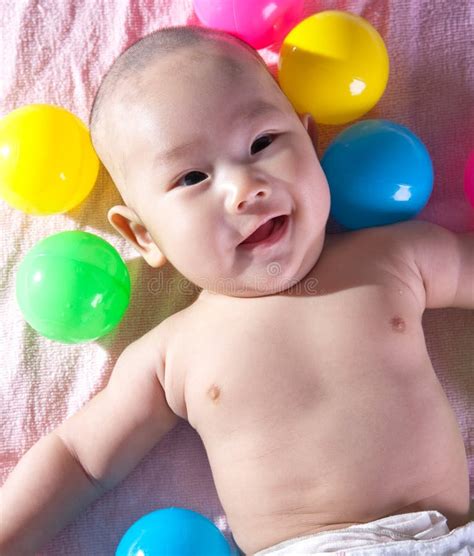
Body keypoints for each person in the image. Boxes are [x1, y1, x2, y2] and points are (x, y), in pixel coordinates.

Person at [1, 25, 473, 556]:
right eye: (192, 178)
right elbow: (79, 460)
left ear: (310, 141)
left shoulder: (394, 258)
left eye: (262, 143)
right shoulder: (171, 354)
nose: (244, 188)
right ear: (142, 234)